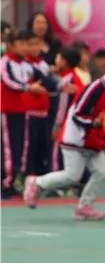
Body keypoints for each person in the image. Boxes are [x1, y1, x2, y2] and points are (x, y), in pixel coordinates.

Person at [23, 52, 105, 220]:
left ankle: (85, 206)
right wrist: (95, 123)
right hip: (76, 136)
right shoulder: (95, 88)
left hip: (93, 139)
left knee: (102, 171)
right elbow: (77, 113)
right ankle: (37, 183)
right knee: (72, 175)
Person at [1, 30, 47, 197]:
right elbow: (9, 82)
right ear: (11, 45)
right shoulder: (4, 62)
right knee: (8, 150)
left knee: (20, 148)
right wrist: (29, 87)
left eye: (28, 44)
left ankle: (12, 182)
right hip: (6, 111)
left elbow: (45, 79)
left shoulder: (27, 64)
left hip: (22, 111)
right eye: (22, 44)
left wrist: (60, 86)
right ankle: (5, 184)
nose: (26, 47)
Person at [23, 31, 57, 176]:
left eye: (38, 44)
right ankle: (26, 176)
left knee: (44, 146)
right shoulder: (24, 64)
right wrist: (33, 87)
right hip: (29, 111)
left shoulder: (43, 64)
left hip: (44, 110)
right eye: (31, 44)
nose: (35, 47)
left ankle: (41, 178)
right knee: (30, 147)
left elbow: (50, 84)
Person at [50, 47, 85, 172]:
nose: (55, 60)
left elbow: (62, 106)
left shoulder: (67, 81)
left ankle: (56, 184)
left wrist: (57, 126)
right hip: (72, 124)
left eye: (58, 57)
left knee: (56, 155)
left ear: (63, 61)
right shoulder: (75, 77)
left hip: (64, 125)